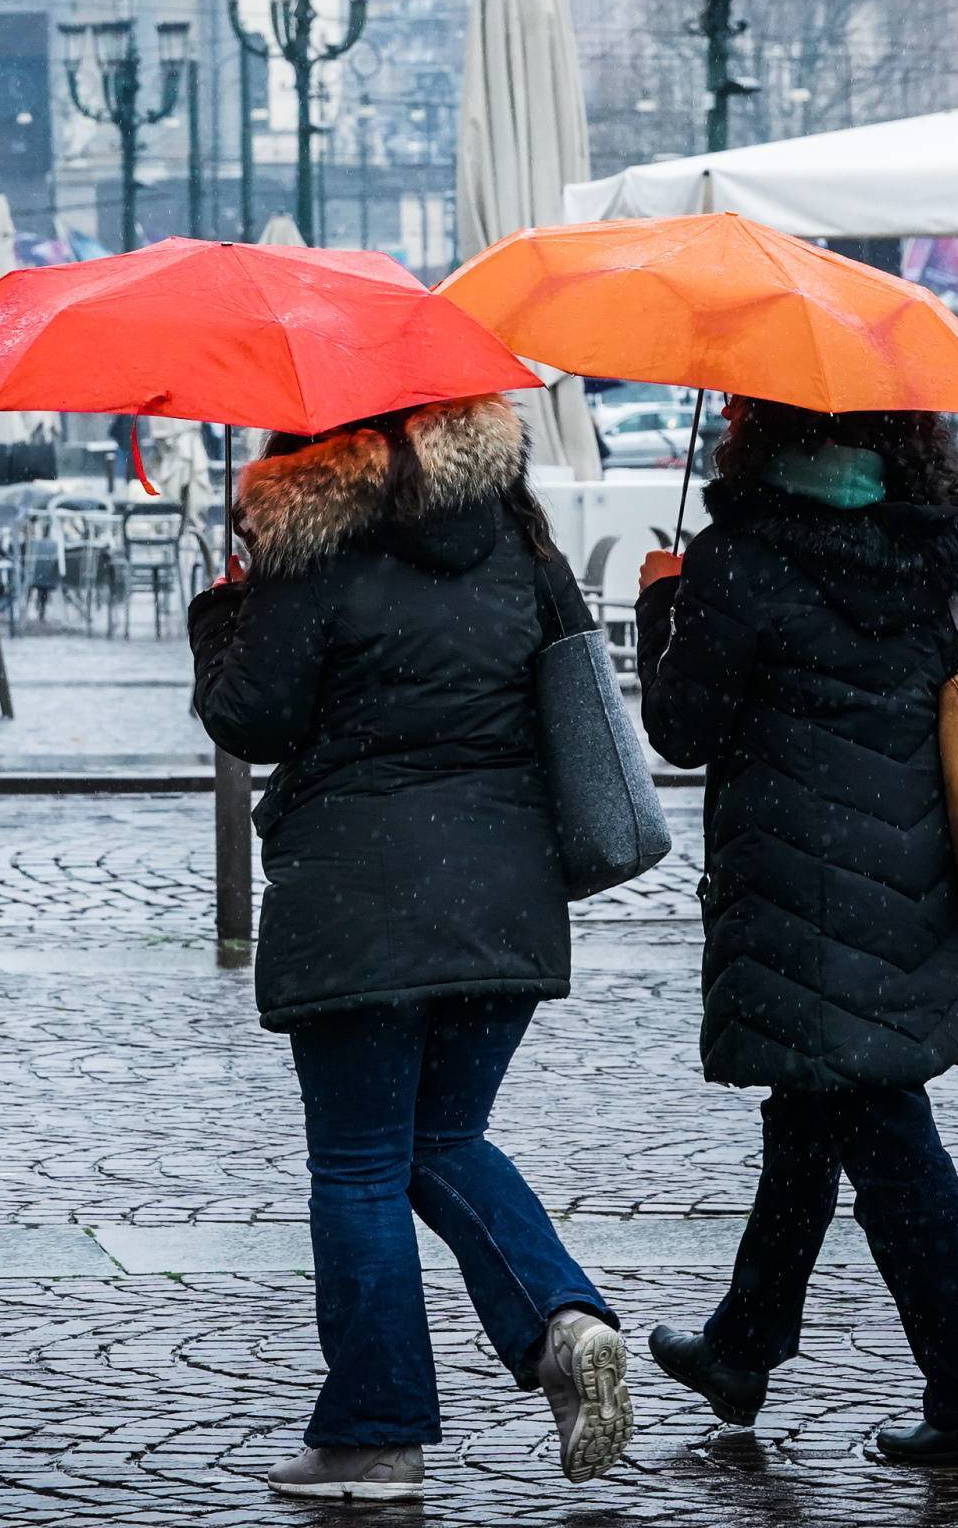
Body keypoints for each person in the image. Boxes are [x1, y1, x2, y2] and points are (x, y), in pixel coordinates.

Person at [190, 393, 632, 1503]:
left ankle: (377, 1430)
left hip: (360, 897)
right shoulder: (515, 534)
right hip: (505, 894)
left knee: (358, 1162)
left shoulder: (311, 544)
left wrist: (221, 612)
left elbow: (254, 717)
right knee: (443, 1133)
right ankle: (560, 1317)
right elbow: (567, 691)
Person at [630, 397, 958, 1466]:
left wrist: (660, 609)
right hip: (903, 881)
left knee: (884, 1132)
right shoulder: (934, 547)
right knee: (816, 1109)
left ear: (759, 431)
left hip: (791, 888)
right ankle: (743, 1342)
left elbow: (682, 725)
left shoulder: (743, 555)